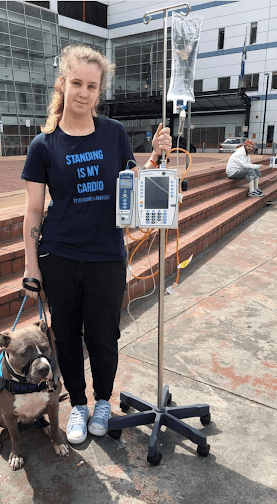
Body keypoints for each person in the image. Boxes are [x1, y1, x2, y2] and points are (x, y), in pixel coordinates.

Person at [21, 45, 172, 445]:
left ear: (99, 90)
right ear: (63, 84)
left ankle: (103, 400)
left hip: (106, 255)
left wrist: (157, 159)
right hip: (59, 256)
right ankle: (80, 406)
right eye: (76, 83)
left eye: (91, 85)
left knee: (104, 335)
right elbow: (34, 212)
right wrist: (31, 266)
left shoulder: (113, 134)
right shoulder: (43, 146)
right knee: (67, 336)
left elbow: (134, 185)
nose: (83, 93)